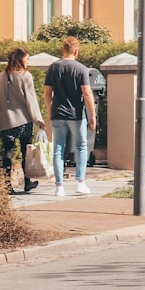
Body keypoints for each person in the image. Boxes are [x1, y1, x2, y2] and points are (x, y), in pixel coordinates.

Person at [44, 36, 97, 197]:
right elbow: (87, 93)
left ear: (63, 49)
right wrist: (92, 115)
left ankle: (59, 186)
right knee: (81, 147)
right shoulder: (80, 68)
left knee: (58, 149)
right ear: (76, 51)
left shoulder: (53, 68)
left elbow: (47, 93)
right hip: (76, 114)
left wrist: (49, 109)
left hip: (58, 113)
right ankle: (80, 182)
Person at [0, 47, 46, 194]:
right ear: (20, 59)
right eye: (27, 58)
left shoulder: (2, 75)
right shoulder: (25, 76)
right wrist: (38, 119)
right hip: (24, 119)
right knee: (26, 152)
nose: (28, 61)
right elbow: (31, 100)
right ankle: (27, 182)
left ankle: (7, 184)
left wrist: (3, 111)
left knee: (8, 151)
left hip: (7, 120)